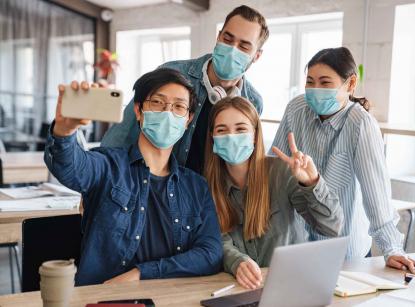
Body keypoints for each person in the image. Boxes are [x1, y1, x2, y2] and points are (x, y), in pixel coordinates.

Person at [44, 68, 222, 286]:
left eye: (179, 107)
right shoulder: (109, 166)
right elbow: (70, 166)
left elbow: (210, 253)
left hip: (170, 298)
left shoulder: (196, 186)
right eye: (157, 102)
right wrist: (64, 130)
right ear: (139, 110)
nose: (168, 113)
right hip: (105, 298)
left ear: (188, 119)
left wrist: (141, 273)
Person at [271, 47, 415, 274]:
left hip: (345, 254)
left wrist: (392, 249)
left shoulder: (360, 124)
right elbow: (274, 168)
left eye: (325, 83)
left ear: (351, 84)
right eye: (310, 82)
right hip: (298, 246)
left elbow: (377, 195)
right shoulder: (296, 109)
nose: (315, 90)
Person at [101, 5, 269, 175]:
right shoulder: (172, 73)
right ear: (218, 37)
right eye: (228, 38)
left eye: (244, 46)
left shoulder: (253, 102)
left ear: (257, 55)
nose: (233, 49)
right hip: (157, 184)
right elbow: (123, 133)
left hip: (209, 194)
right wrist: (101, 176)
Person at [204, 96, 344, 289]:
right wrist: (238, 262)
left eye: (240, 129)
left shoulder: (282, 172)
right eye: (222, 130)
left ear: (254, 134)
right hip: (240, 289)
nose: (231, 136)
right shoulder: (205, 186)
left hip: (292, 287)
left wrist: (311, 182)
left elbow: (332, 226)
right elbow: (218, 240)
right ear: (212, 136)